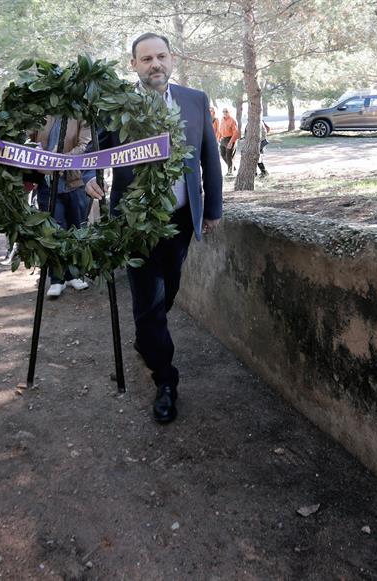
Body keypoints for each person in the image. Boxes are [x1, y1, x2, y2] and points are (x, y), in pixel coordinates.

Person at [85, 32, 222, 424]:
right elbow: (97, 149)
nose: (154, 64)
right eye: (145, 59)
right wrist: (92, 173)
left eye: (160, 56)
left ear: (171, 59)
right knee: (148, 303)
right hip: (134, 224)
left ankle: (147, 337)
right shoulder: (117, 105)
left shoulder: (195, 100)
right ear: (133, 65)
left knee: (167, 294)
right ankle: (166, 380)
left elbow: (210, 156)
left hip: (180, 220)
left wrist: (212, 208)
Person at [33, 115, 92, 297]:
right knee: (54, 231)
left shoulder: (82, 114)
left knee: (76, 228)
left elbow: (86, 145)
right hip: (47, 183)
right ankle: (57, 279)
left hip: (75, 182)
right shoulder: (43, 112)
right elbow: (29, 139)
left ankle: (74, 274)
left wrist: (61, 160)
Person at [217, 107, 239, 176]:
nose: (224, 113)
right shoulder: (222, 119)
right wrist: (219, 138)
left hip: (230, 139)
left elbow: (235, 133)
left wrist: (231, 142)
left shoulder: (232, 120)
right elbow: (220, 130)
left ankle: (230, 172)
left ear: (229, 112)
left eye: (226, 111)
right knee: (223, 155)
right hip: (223, 139)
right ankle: (232, 167)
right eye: (223, 111)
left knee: (228, 156)